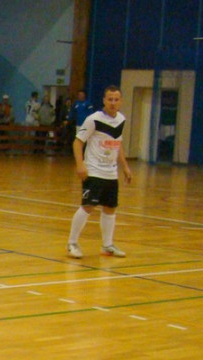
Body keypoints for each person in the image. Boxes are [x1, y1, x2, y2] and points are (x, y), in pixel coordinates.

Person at [66, 85, 133, 259]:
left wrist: (125, 167)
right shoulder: (93, 119)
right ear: (104, 100)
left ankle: (107, 245)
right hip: (94, 171)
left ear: (121, 101)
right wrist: (80, 165)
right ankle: (72, 243)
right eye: (109, 99)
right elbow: (77, 142)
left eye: (116, 99)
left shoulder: (121, 120)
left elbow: (118, 144)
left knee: (110, 208)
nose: (113, 102)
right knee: (88, 206)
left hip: (111, 173)